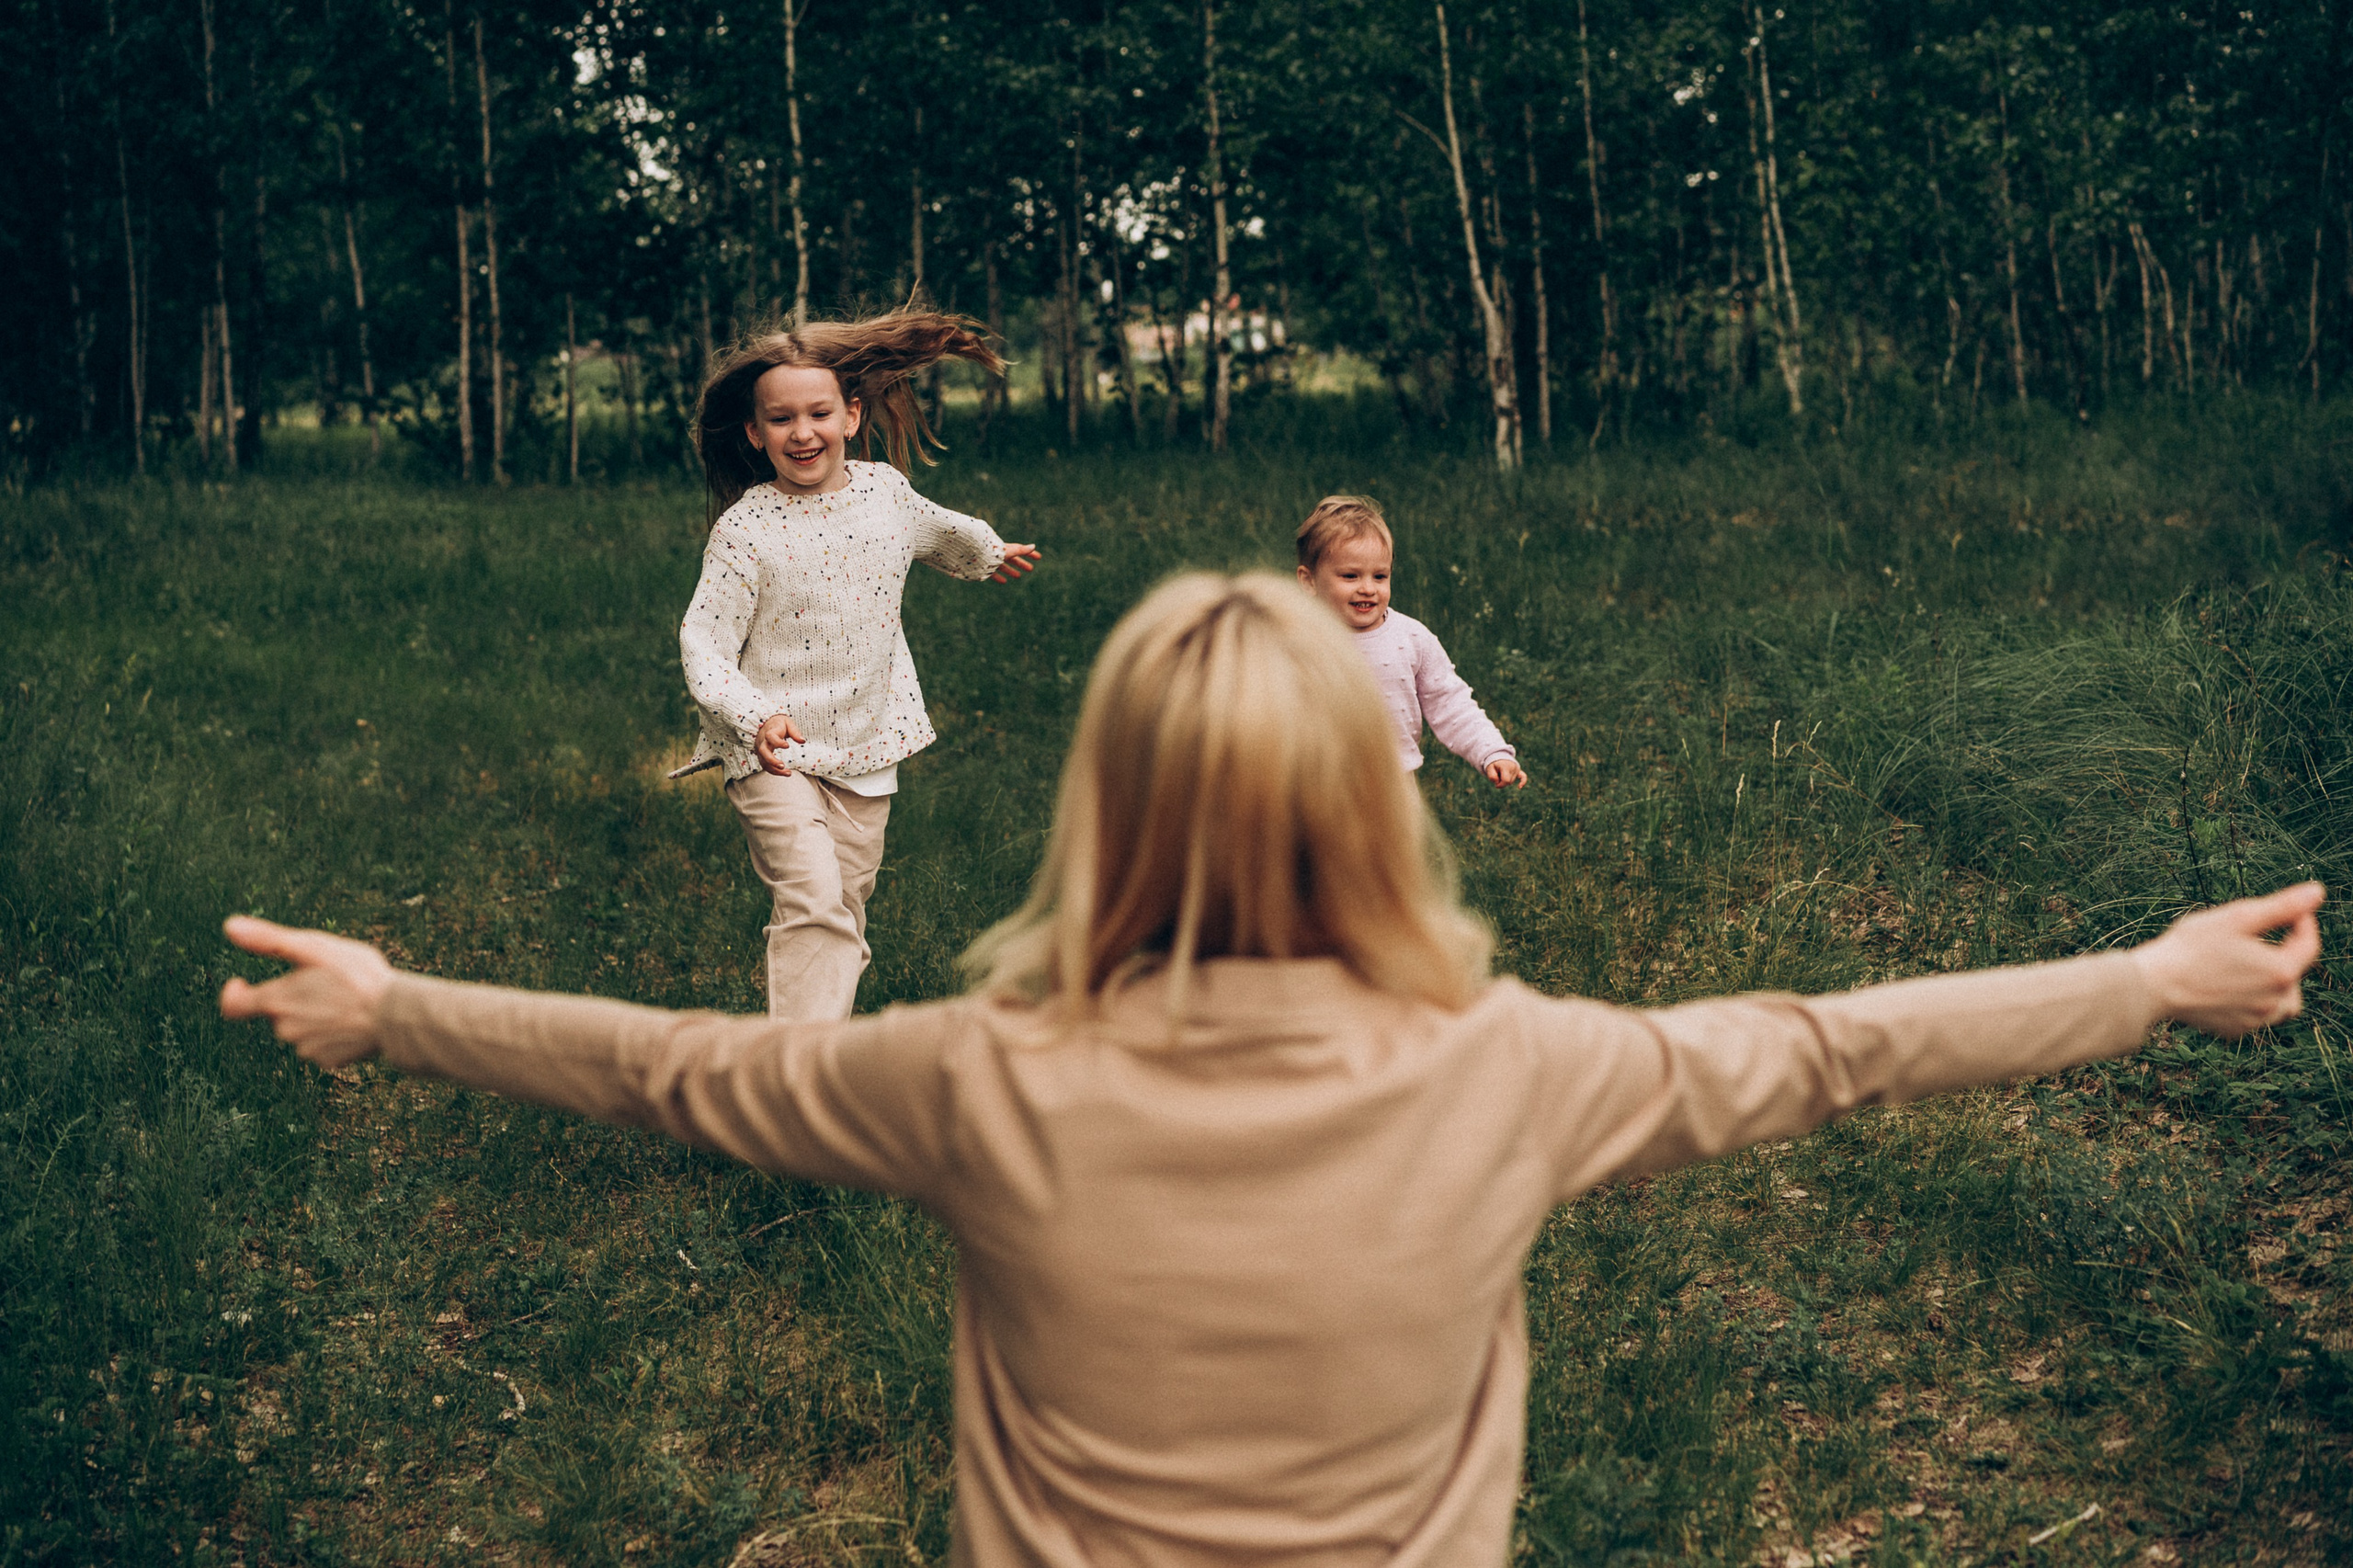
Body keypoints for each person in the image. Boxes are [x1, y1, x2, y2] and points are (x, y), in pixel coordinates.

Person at [222, 572, 2319, 1568]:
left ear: (1101, 808)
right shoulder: (1516, 1067)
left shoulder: (974, 1077)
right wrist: (2145, 978)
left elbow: (677, 1073)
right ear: (1365, 803)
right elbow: (1839, 1047)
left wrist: (397, 1005)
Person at [675, 309, 1041, 1021]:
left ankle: (820, 1045)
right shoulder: (745, 530)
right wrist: (756, 717)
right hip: (770, 752)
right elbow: (704, 643)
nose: (801, 432)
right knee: (814, 900)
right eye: (781, 419)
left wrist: (990, 551)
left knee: (842, 907)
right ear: (754, 433)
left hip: (865, 743)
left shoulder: (884, 494)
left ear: (851, 416)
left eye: (818, 414)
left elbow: (940, 528)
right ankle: (799, 1069)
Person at [1295, 494, 1528, 790]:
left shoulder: (1411, 639)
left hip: (1392, 785)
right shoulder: (1297, 638)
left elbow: (1450, 702)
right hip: (1314, 784)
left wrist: (1491, 750)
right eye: (1350, 576)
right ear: (1309, 581)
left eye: (1380, 576)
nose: (1368, 588)